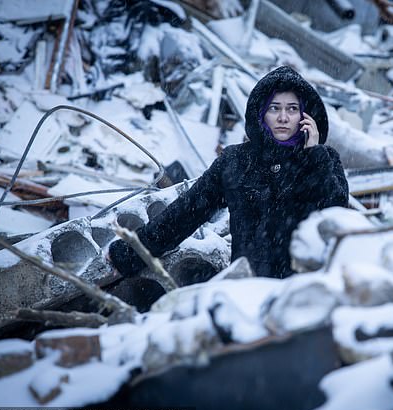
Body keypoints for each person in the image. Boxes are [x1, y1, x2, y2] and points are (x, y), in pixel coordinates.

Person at [108, 66, 349, 279]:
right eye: (274, 108)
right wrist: (131, 254)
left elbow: (335, 220)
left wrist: (313, 156)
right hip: (248, 289)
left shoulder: (324, 160)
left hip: (304, 292)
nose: (283, 117)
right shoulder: (236, 161)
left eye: (292, 109)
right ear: (261, 113)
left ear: (304, 116)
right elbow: (184, 214)